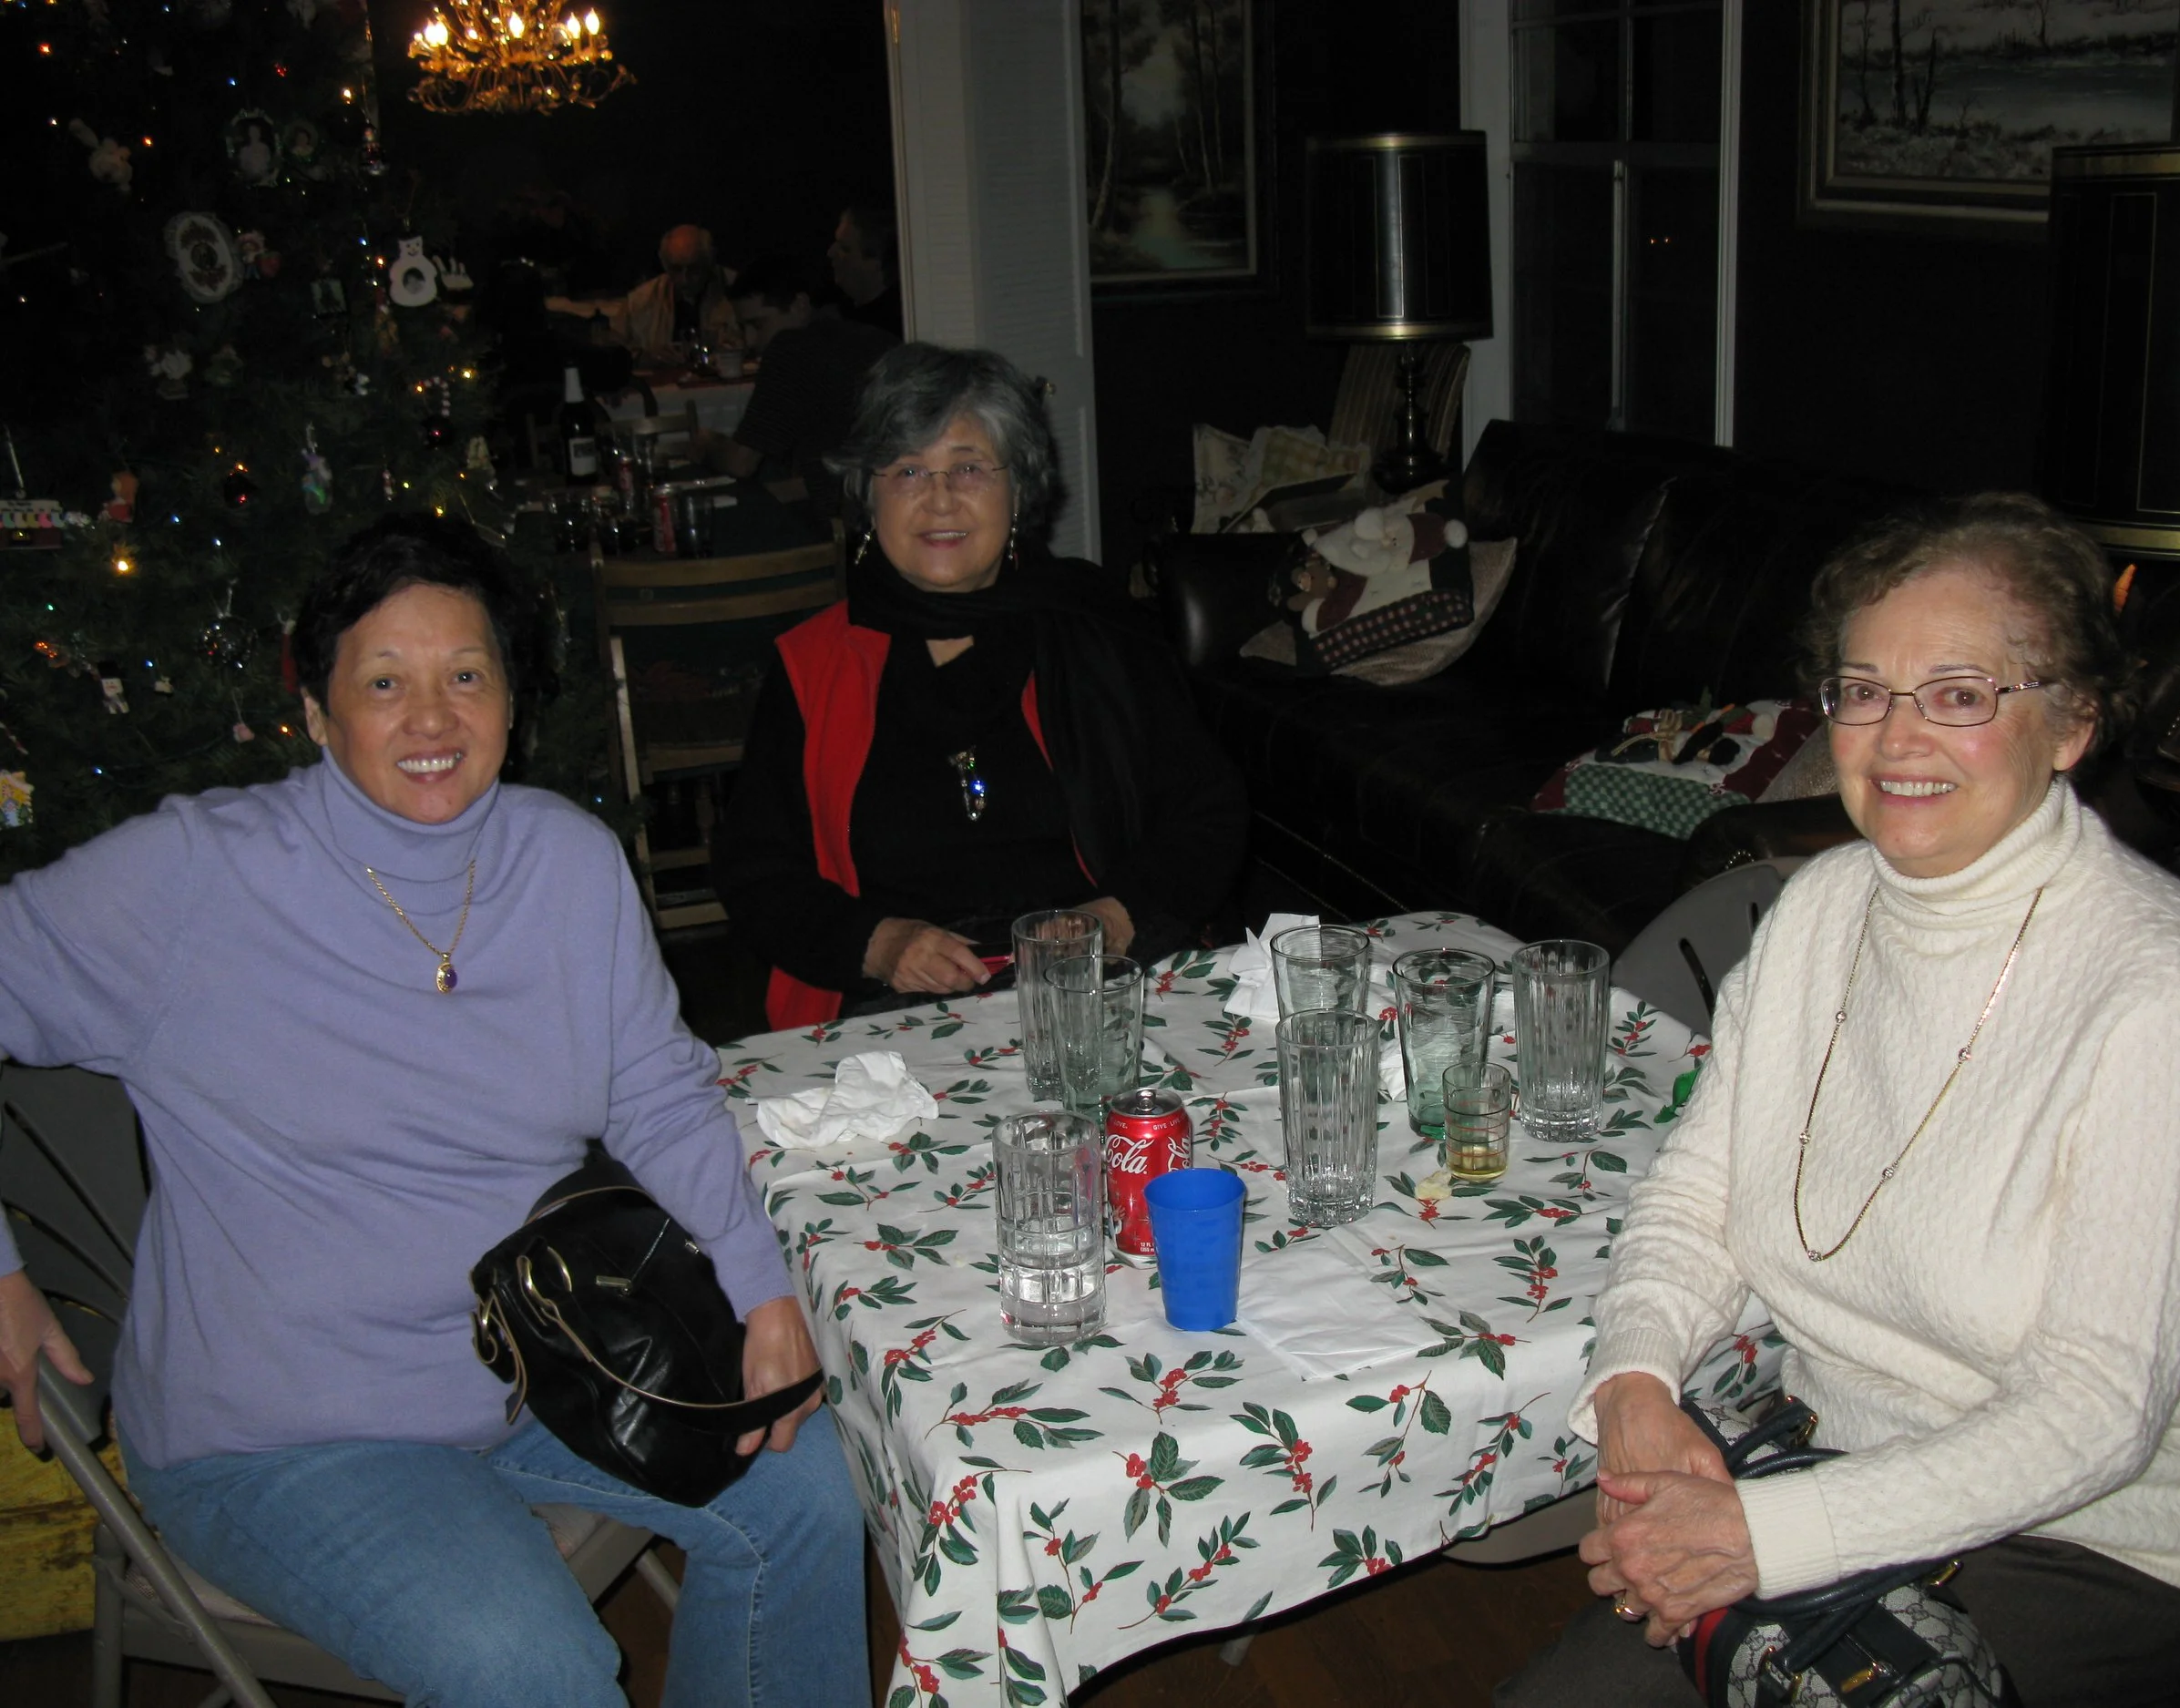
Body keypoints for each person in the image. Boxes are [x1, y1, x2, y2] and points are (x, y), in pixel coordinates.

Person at [0, 516, 865, 1708]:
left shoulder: (564, 861)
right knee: (535, 1667)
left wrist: (763, 1282)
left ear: (513, 697)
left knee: (810, 1495)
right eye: (384, 682)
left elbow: (658, 1085)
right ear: (314, 710)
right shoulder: (197, 878)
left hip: (543, 1358)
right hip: (284, 1432)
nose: (432, 717)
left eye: (467, 674)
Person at [1498, 493, 2180, 1707]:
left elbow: (2098, 1409)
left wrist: (1768, 1531)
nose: (1897, 735)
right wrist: (1639, 1382)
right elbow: (1696, 1197)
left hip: (2125, 1533)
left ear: (2070, 721)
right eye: (1864, 689)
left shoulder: (2160, 982)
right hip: (1850, 1461)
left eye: (1961, 692)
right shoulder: (1814, 908)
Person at [715, 343, 1245, 1028]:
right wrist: (878, 944)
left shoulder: (1100, 635)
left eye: (968, 467)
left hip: (1097, 993)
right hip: (886, 1012)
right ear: (867, 495)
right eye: (907, 469)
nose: (939, 499)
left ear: (1018, 490)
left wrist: (1114, 919)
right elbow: (754, 868)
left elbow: (1208, 814)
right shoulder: (812, 664)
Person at [692, 254, 896, 509]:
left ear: (799, 305)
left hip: (842, 519)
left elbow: (741, 462)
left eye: (758, 325)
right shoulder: (863, 335)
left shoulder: (792, 347)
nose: (751, 340)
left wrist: (704, 445)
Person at [548, 223, 742, 363]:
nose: (685, 278)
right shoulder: (641, 301)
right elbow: (614, 348)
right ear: (664, 264)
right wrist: (646, 356)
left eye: (694, 269)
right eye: (676, 269)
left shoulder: (739, 290)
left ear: (709, 261)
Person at [827, 204, 902, 341]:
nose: (831, 253)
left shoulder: (891, 331)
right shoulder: (834, 316)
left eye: (845, 248)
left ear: (875, 262)